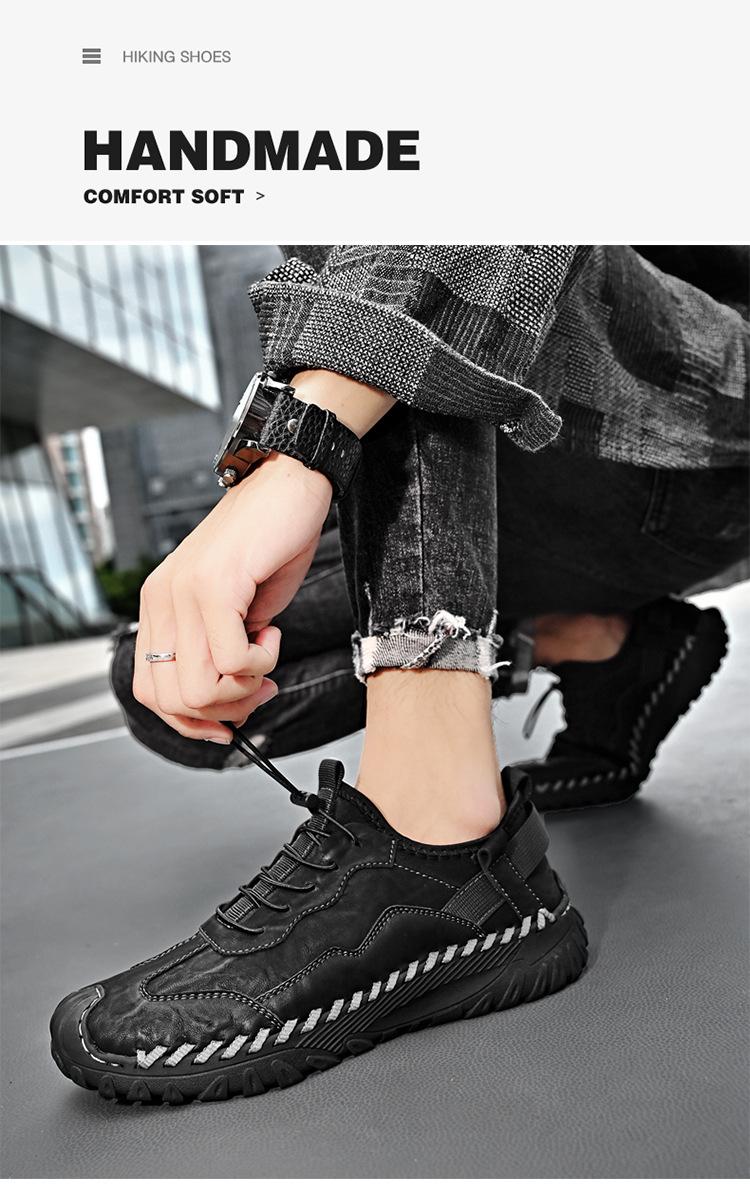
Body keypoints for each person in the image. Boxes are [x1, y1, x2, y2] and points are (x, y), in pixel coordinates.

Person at [50, 245, 749, 1103]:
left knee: (423, 287)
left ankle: (437, 830)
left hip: (700, 423)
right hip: (515, 491)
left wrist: (300, 447)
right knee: (172, 670)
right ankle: (596, 642)